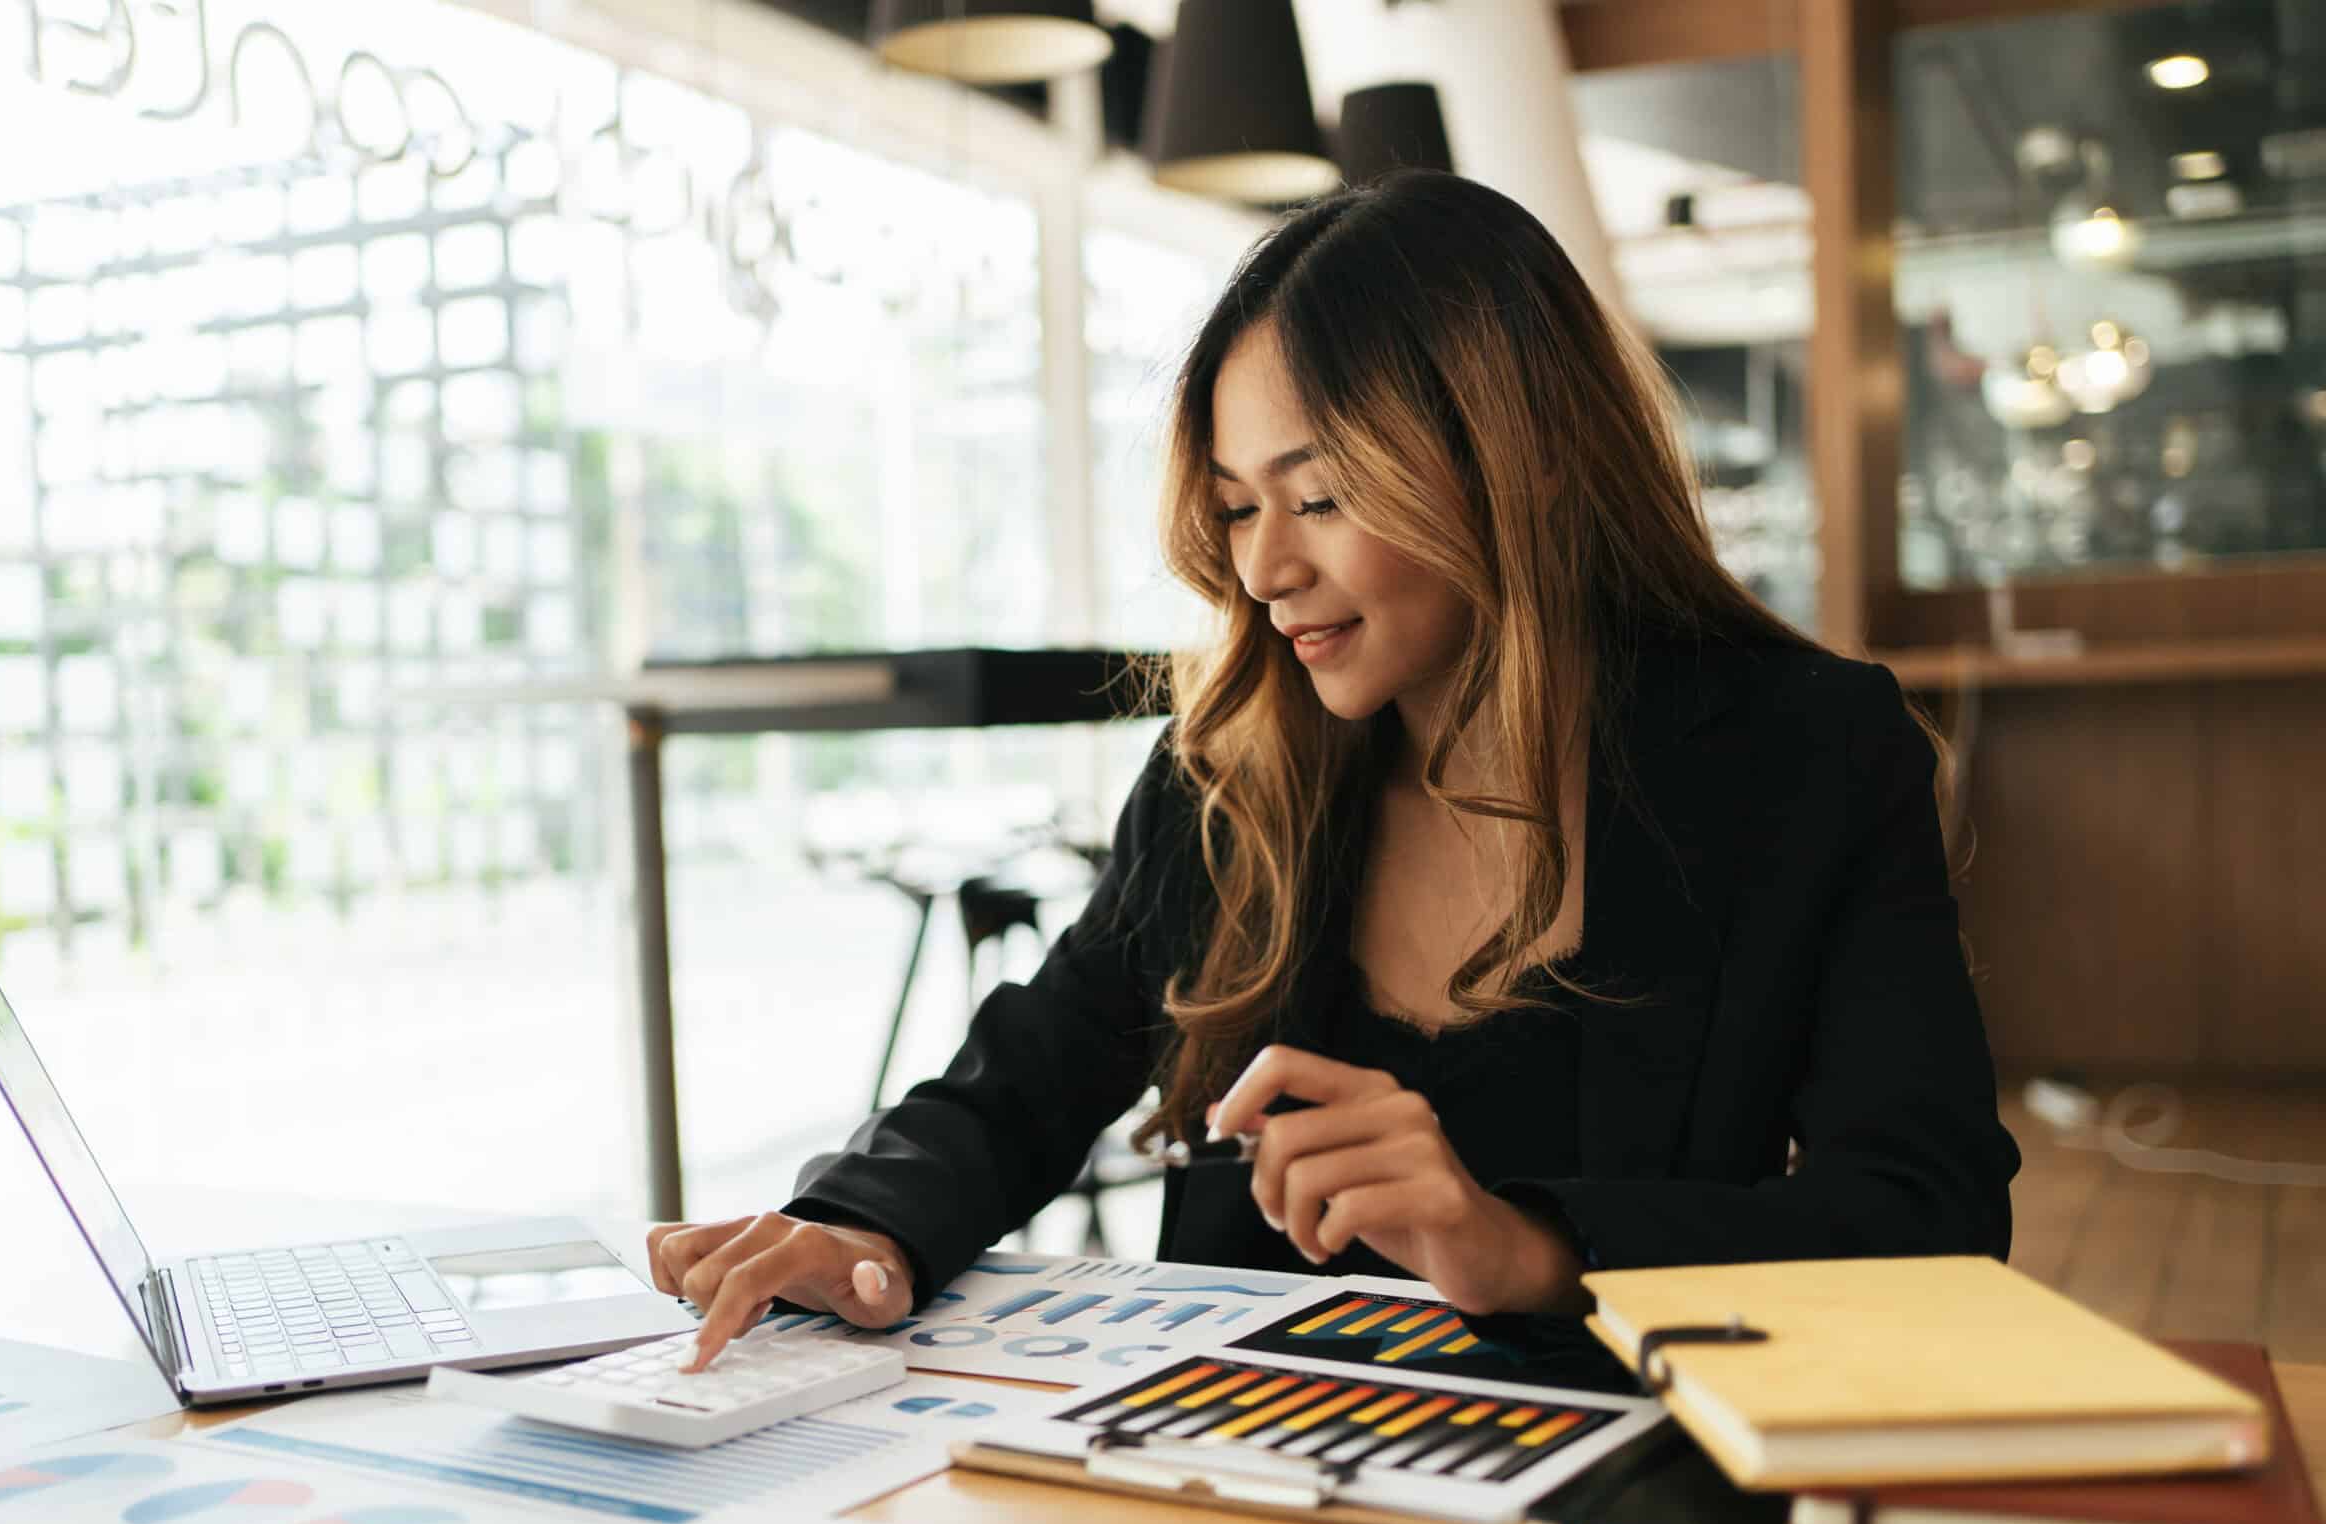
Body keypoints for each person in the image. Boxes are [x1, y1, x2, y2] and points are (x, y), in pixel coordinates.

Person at [649, 170, 2020, 1372]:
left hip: (1614, 1480)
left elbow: (1928, 1217)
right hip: (1220, 1475)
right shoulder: (1233, 771)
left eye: (1319, 498)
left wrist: (1525, 1247)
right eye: (1240, 507)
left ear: (1510, 465)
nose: (1263, 568)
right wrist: (858, 1222)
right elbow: (1033, 1072)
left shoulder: (1806, 755)